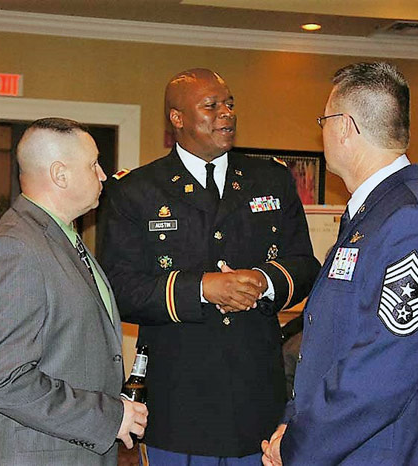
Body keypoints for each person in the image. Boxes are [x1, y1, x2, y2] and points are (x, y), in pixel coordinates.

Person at [99, 68, 320, 465]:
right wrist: (202, 289)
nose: (226, 113)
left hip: (256, 398)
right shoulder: (135, 191)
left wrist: (264, 280)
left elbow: (305, 265)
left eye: (229, 104)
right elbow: (119, 288)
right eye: (211, 105)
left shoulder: (270, 179)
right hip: (179, 403)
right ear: (177, 118)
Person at [261, 62, 418, 465]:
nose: (322, 131)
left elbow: (383, 370)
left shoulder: (412, 222)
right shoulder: (373, 214)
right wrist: (293, 423)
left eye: (323, 120)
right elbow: (332, 341)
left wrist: (300, 444)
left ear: (343, 127)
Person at [0, 118, 147, 465]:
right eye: (93, 164)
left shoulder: (59, 238)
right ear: (60, 174)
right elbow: (0, 379)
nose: (103, 175)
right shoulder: (15, 249)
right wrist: (107, 415)